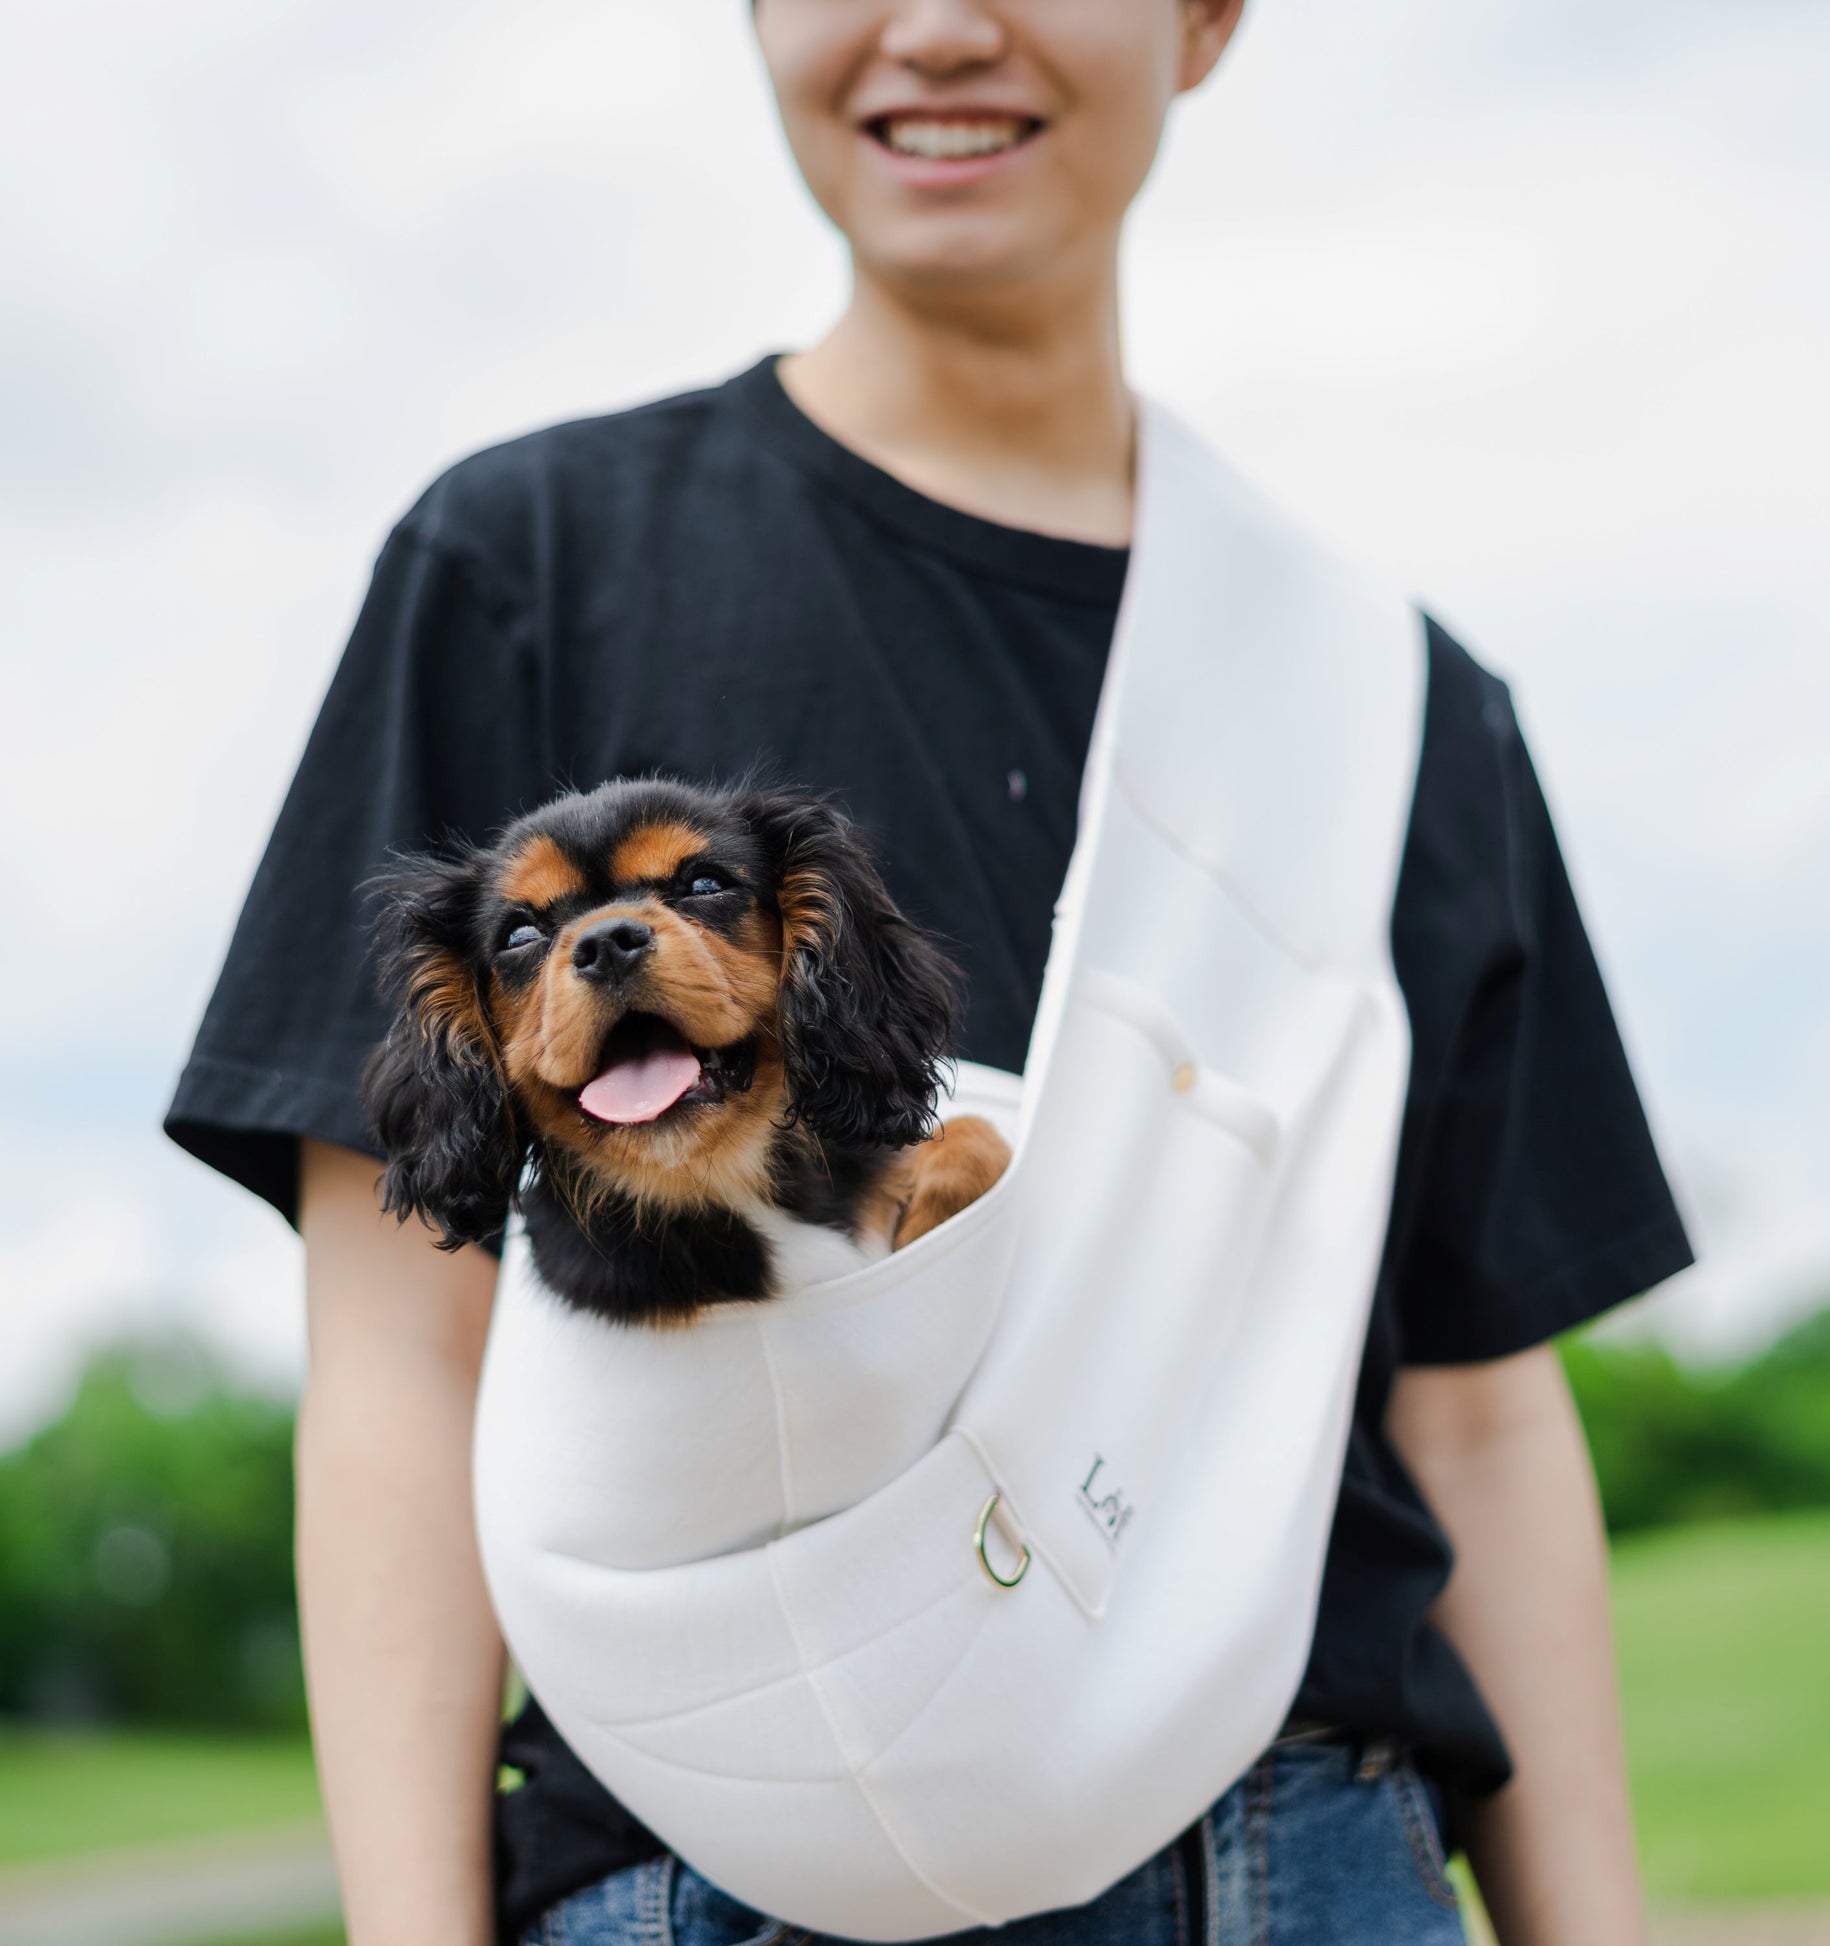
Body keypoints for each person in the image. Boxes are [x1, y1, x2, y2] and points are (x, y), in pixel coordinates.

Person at [165, 4, 1692, 1943]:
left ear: (1206, 19)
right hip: (701, 1862)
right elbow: (398, 1341)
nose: (945, 24)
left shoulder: (1395, 708)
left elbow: (1474, 1407)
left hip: (1303, 1846)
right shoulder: (527, 561)